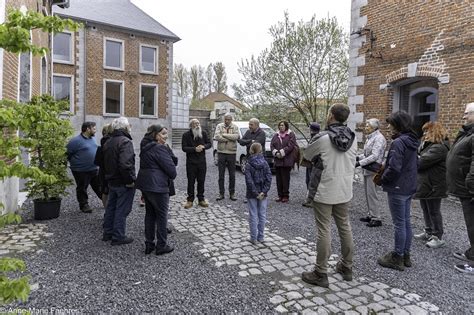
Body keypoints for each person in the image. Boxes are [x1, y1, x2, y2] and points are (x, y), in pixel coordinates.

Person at [301, 104, 357, 288]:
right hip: (344, 190)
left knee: (324, 230)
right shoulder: (353, 137)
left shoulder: (322, 138)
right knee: (344, 227)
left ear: (331, 116)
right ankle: (347, 267)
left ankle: (320, 271)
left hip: (324, 189)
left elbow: (307, 156)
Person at [376, 111, 419, 271]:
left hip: (398, 187)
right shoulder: (412, 141)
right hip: (408, 187)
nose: (389, 127)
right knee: (406, 222)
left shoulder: (399, 142)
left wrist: (383, 179)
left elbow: (394, 167)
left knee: (399, 224)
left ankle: (397, 256)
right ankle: (406, 255)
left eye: (391, 124)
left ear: (398, 125)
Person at [136, 125, 177, 255]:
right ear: (156, 135)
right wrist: (167, 150)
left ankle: (149, 244)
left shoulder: (146, 148)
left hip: (146, 186)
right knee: (161, 216)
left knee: (150, 215)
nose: (166, 136)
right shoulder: (160, 148)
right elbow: (172, 171)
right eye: (163, 134)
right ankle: (161, 245)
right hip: (158, 187)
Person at [446, 102, 474, 274]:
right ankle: (472, 252)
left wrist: (471, 185)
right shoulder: (467, 133)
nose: (463, 116)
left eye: (467, 113)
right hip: (465, 188)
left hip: (470, 189)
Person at [413, 122, 449, 249]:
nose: (424, 134)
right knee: (426, 209)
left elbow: (421, 162)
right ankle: (428, 231)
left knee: (434, 210)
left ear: (435, 132)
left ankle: (437, 236)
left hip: (435, 184)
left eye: (427, 131)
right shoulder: (427, 146)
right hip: (426, 183)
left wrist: (413, 156)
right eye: (424, 132)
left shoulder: (439, 147)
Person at [102, 117, 136, 246]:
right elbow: (125, 164)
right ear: (125, 127)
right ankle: (118, 236)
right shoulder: (125, 141)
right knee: (122, 209)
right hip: (122, 181)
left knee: (111, 207)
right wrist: (130, 180)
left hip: (112, 180)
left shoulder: (109, 141)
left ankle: (108, 233)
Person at [356, 118, 387, 227]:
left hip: (373, 169)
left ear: (374, 127)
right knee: (367, 193)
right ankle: (370, 214)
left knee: (372, 193)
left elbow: (374, 156)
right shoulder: (370, 138)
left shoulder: (379, 138)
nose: (366, 127)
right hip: (368, 168)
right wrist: (358, 158)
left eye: (368, 126)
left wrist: (360, 163)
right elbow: (366, 153)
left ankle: (376, 218)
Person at [66, 121, 102, 213]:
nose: (95, 130)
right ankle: (84, 205)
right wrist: (75, 163)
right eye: (94, 128)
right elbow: (68, 153)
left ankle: (106, 201)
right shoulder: (75, 141)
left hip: (94, 168)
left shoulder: (92, 139)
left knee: (98, 186)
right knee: (82, 187)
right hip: (80, 170)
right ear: (87, 129)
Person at [245, 143, 272, 245]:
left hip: (252, 194)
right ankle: (261, 237)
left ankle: (253, 238)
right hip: (263, 193)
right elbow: (269, 178)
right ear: (261, 150)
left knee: (253, 215)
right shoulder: (265, 163)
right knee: (262, 215)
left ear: (251, 150)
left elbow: (249, 181)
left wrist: (256, 193)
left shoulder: (248, 164)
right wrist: (264, 191)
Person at [182, 119, 212, 209]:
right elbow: (184, 148)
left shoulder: (203, 133)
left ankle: (201, 199)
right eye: (195, 124)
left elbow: (209, 144)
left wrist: (203, 147)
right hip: (191, 162)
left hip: (202, 162)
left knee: (201, 181)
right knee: (191, 181)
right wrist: (194, 149)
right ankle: (190, 200)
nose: (197, 125)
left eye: (198, 123)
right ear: (191, 126)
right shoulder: (186, 135)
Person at [214, 113, 240, 201]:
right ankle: (221, 193)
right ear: (223, 119)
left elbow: (236, 136)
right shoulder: (219, 126)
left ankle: (232, 193)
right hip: (221, 152)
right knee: (221, 175)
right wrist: (229, 138)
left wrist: (224, 135)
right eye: (225, 119)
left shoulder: (235, 127)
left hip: (231, 153)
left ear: (231, 120)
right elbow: (217, 137)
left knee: (232, 175)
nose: (227, 121)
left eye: (229, 119)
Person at [270, 121, 297, 203]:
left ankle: (285, 195)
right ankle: (280, 195)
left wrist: (282, 152)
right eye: (280, 125)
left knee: (285, 178)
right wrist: (276, 153)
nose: (281, 127)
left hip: (287, 160)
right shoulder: (276, 135)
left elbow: (291, 145)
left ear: (286, 126)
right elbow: (272, 145)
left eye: (282, 125)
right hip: (278, 160)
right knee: (278, 179)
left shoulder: (291, 134)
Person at [302, 122, 321, 207]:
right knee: (309, 180)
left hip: (313, 162)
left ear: (311, 129)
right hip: (311, 162)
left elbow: (314, 150)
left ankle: (311, 200)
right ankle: (309, 198)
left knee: (311, 180)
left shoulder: (316, 137)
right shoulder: (315, 136)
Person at [94, 123, 113, 209]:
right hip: (110, 172)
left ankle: (107, 210)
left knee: (104, 192)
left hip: (103, 172)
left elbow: (97, 162)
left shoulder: (101, 147)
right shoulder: (112, 144)